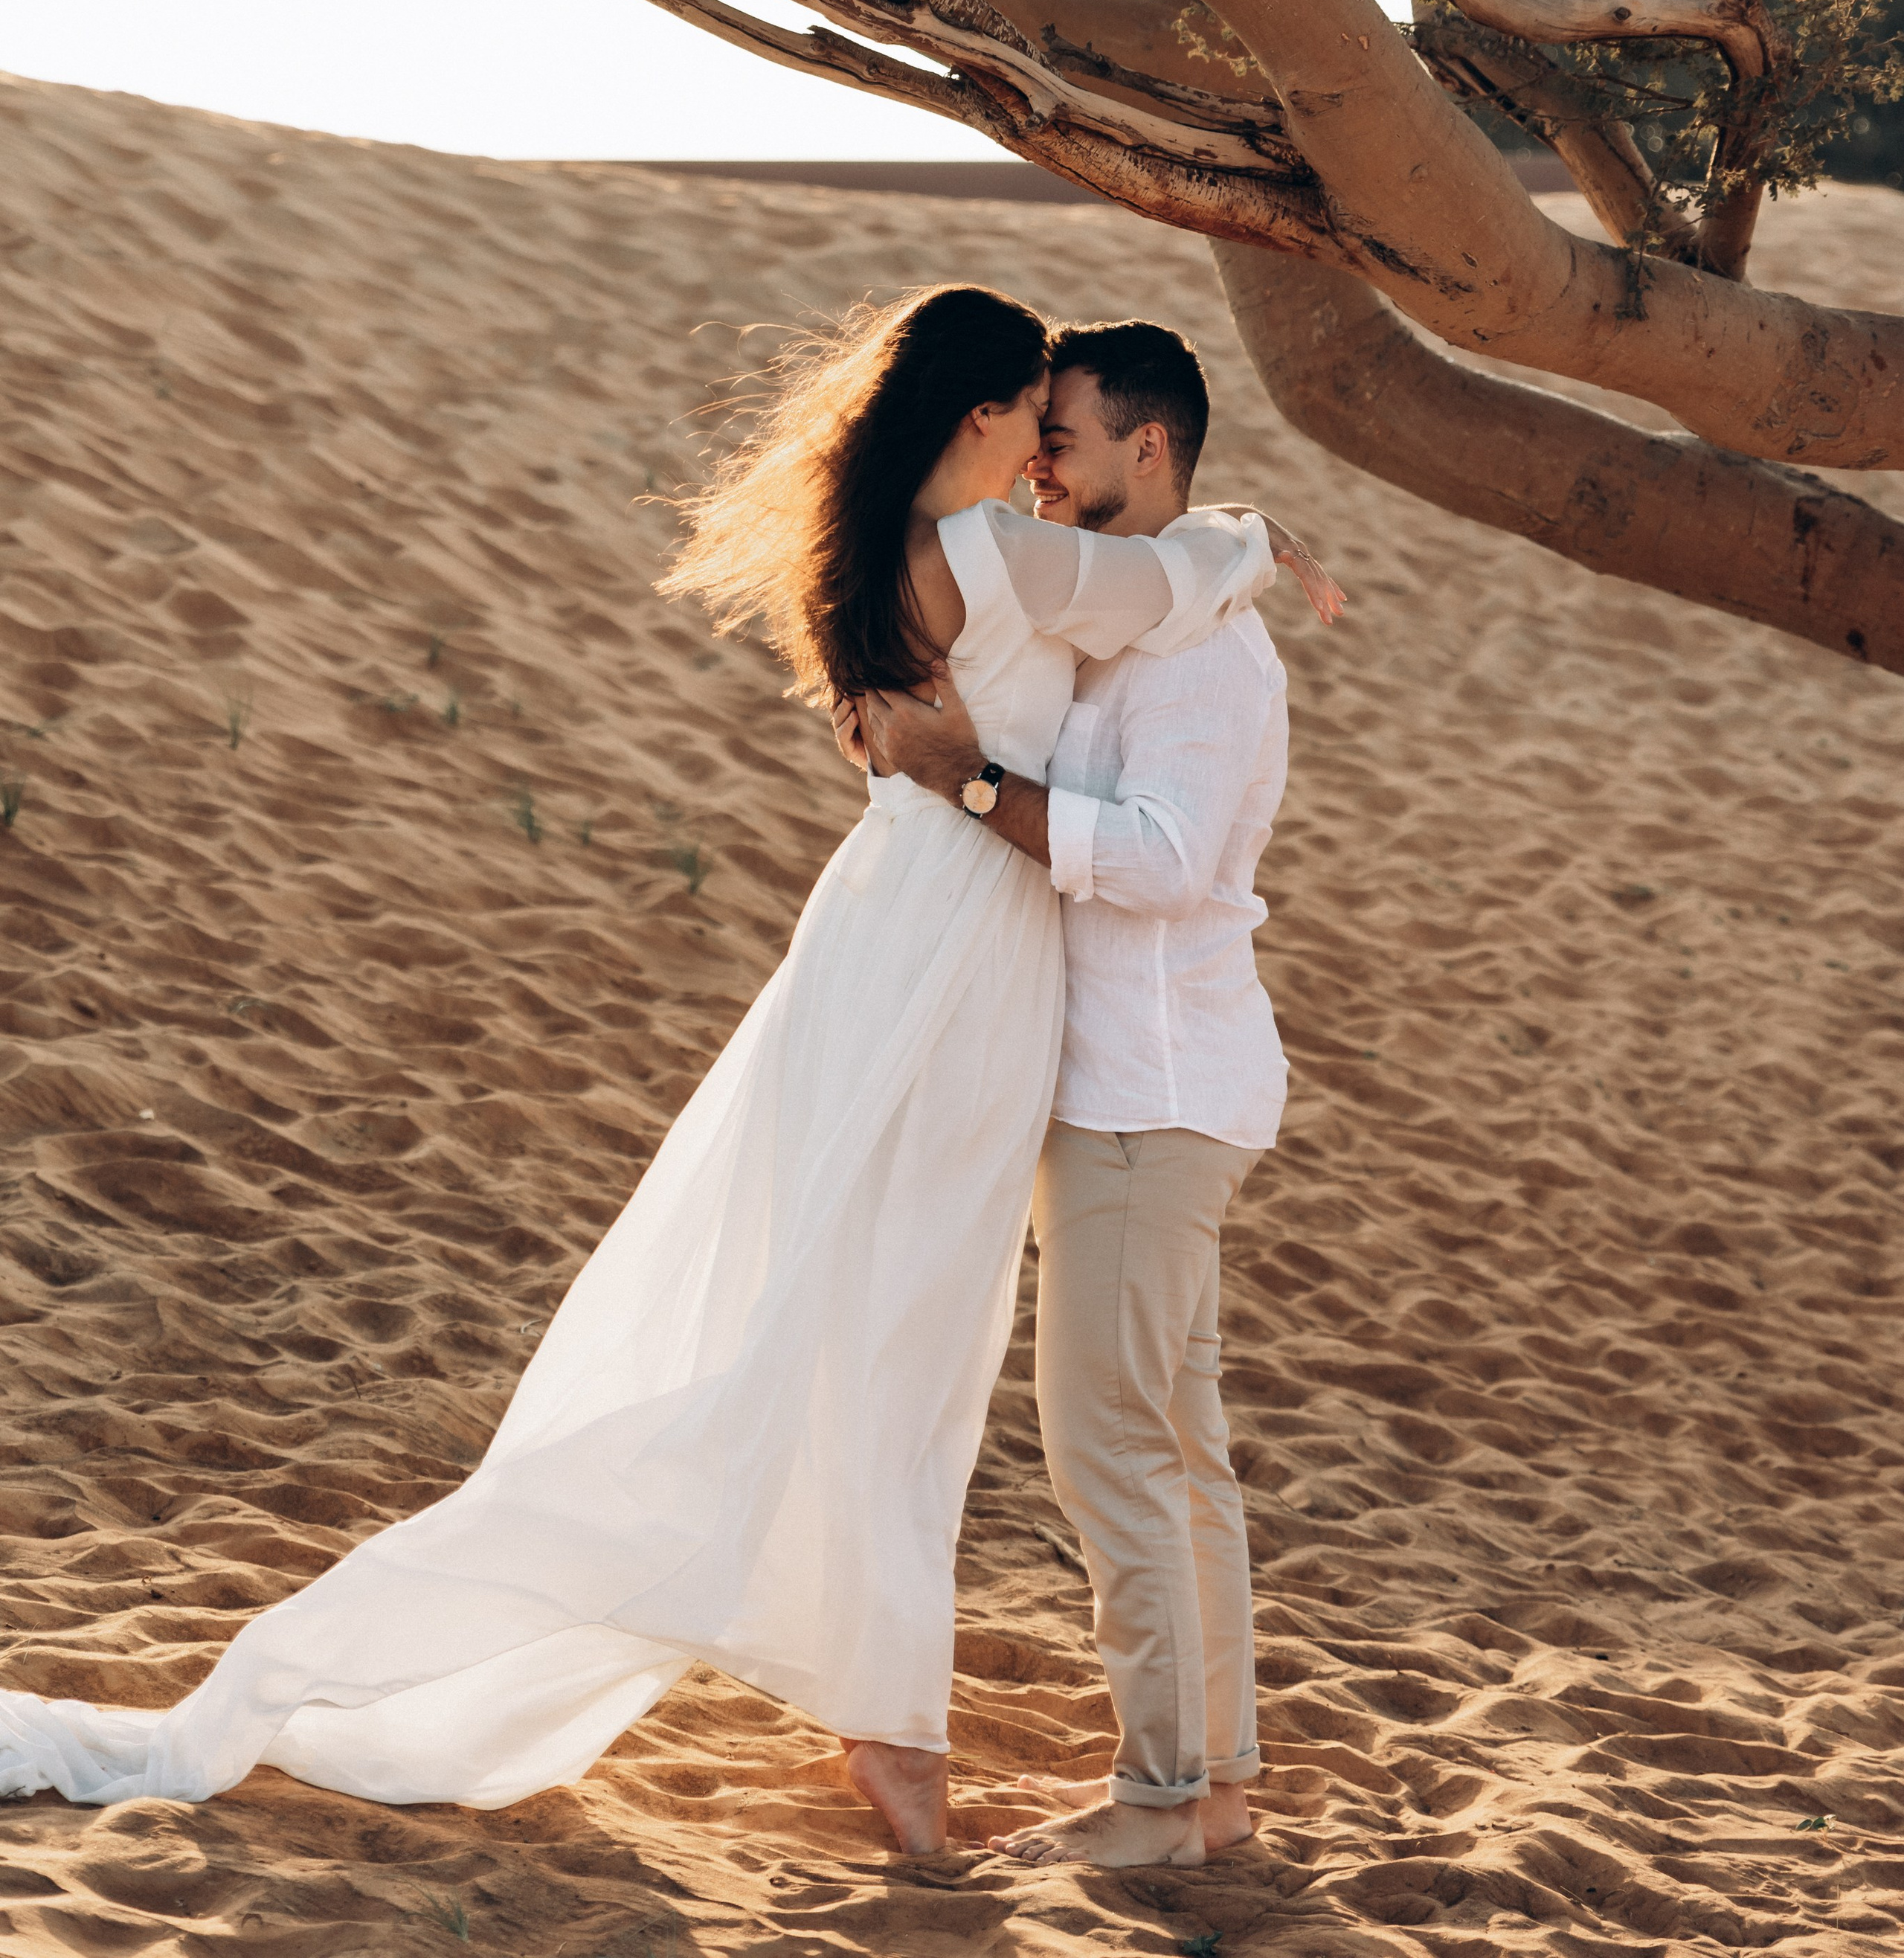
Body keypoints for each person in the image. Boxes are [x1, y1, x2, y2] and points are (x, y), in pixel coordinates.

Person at [0, 285, 1312, 1858]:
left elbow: (1139, 629)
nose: (1042, 456)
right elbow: (1173, 585)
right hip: (956, 962)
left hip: (909, 942)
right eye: (1030, 425)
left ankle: (930, 1730)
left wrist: (1181, 564)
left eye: (1063, 436)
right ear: (976, 419)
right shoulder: (989, 555)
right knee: (899, 1340)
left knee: (878, 1329)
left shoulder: (896, 552)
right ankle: (908, 1730)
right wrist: (1252, 536)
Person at [851, 318, 1337, 1868]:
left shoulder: (1198, 649)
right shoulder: (1150, 609)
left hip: (1151, 1094)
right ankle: (1214, 1794)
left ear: (1149, 449)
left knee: (1107, 1449)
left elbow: (1161, 858)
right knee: (1170, 1447)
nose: (1040, 461)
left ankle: (1152, 1808)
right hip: (1138, 1085)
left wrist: (970, 780)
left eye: (1062, 435)